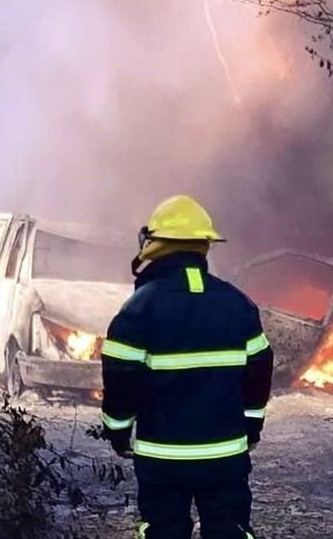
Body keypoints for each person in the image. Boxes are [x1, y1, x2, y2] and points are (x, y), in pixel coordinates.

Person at [99, 195, 274, 539]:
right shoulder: (237, 304)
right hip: (225, 457)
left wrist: (117, 431)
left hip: (162, 460)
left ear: (155, 244)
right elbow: (260, 369)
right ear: (204, 245)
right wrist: (251, 427)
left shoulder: (137, 309)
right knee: (230, 531)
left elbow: (120, 380)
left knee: (163, 531)